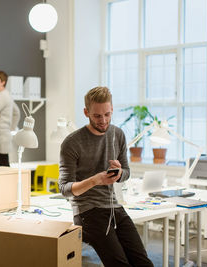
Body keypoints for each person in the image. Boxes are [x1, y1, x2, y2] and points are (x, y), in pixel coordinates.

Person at [58, 86, 153, 266]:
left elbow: (126, 172)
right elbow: (64, 189)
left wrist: (119, 174)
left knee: (143, 263)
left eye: (107, 115)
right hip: (87, 212)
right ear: (86, 112)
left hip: (113, 207)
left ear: (111, 110)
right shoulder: (72, 143)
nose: (103, 121)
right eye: (97, 116)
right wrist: (95, 180)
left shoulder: (117, 134)